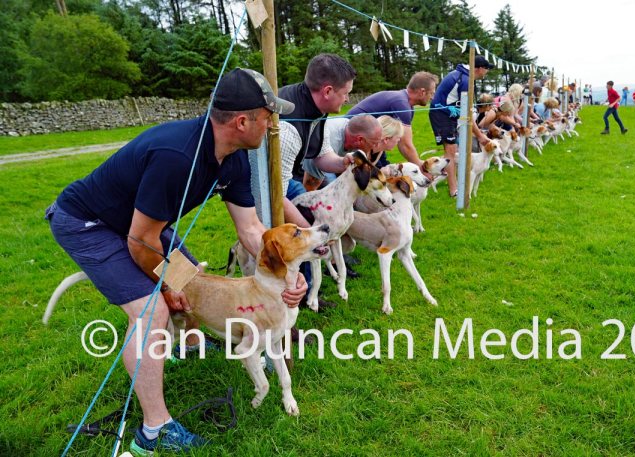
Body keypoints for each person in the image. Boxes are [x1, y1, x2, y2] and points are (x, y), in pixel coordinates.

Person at [46, 68, 306, 454]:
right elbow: (141, 242)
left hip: (141, 223)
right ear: (242, 120)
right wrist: (167, 287)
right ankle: (154, 429)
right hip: (90, 224)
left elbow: (251, 230)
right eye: (269, 116)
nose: (272, 125)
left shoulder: (234, 159)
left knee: (192, 284)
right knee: (152, 311)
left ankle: (185, 345)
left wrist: (288, 276)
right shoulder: (178, 156)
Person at [277, 53, 357, 309]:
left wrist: (343, 163)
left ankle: (308, 292)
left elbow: (322, 155)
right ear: (328, 90)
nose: (347, 99)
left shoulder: (318, 110)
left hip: (284, 176)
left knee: (313, 223)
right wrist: (312, 232)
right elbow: (275, 193)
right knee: (305, 229)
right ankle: (297, 296)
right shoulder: (288, 124)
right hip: (262, 183)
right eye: (346, 93)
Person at [347, 72, 439, 176]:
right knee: (374, 178)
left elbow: (396, 138)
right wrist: (421, 169)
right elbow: (405, 145)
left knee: (382, 176)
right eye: (432, 93)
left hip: (368, 141)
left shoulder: (404, 101)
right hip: (351, 139)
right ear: (422, 92)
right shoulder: (402, 104)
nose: (432, 97)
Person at [429, 55, 492, 197]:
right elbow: (467, 114)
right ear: (480, 68)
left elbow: (466, 114)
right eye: (487, 69)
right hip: (442, 114)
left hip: (449, 114)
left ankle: (450, 182)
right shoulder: (465, 80)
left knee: (453, 150)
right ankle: (454, 190)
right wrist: (480, 136)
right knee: (450, 152)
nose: (487, 72)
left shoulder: (464, 76)